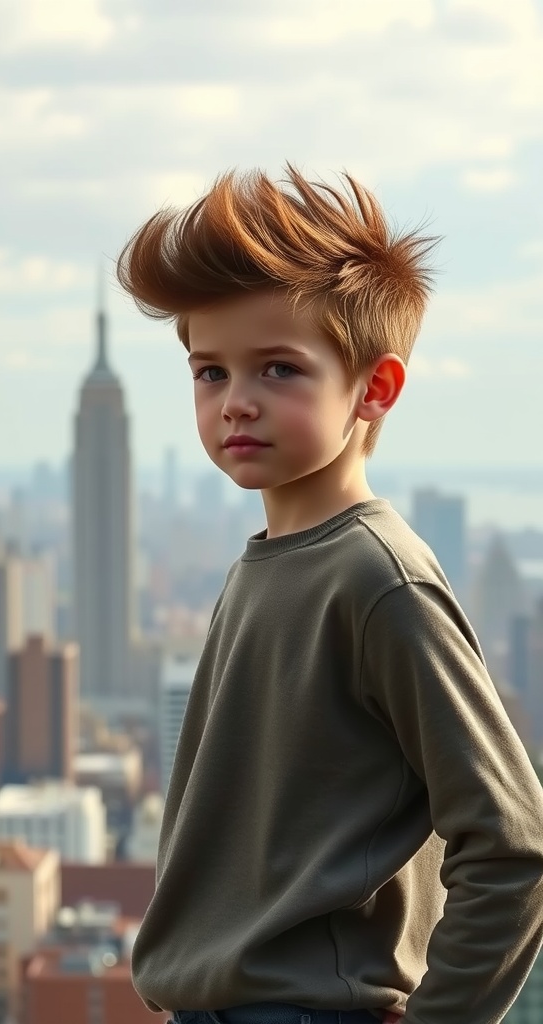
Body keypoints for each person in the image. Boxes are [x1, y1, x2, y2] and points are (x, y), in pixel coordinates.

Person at [117, 165, 543, 1024]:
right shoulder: (262, 565)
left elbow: (513, 845)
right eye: (210, 372)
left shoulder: (379, 579)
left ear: (374, 389)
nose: (236, 403)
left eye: (278, 369)